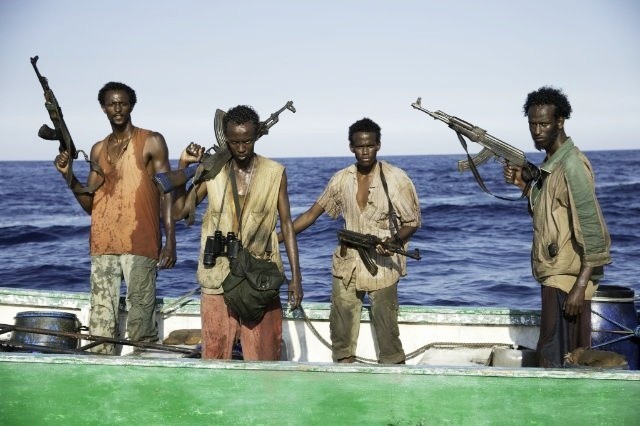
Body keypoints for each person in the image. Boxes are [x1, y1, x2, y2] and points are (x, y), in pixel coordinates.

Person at [282, 117, 421, 364]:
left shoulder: (396, 179)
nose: (365, 151)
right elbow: (312, 214)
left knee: (387, 331)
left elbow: (412, 222)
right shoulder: (341, 179)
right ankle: (344, 370)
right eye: (359, 146)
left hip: (383, 266)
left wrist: (393, 241)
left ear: (378, 146)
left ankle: (393, 375)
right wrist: (278, 237)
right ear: (351, 147)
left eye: (370, 146)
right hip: (347, 264)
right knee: (341, 333)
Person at [54, 81, 176, 354]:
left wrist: (170, 241)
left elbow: (167, 190)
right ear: (103, 108)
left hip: (140, 241)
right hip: (103, 243)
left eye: (123, 103)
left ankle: (144, 368)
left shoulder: (151, 141)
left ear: (131, 106)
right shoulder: (98, 149)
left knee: (141, 318)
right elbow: (90, 204)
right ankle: (101, 370)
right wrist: (68, 176)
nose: (117, 108)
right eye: (112, 104)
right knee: (100, 323)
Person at [173, 105, 303, 361]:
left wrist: (296, 278)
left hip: (260, 277)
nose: (241, 148)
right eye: (234, 142)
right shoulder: (213, 171)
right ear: (226, 139)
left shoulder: (275, 173)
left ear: (256, 137)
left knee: (264, 358)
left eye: (247, 141)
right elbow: (179, 211)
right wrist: (183, 165)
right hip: (217, 275)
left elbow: (287, 224)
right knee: (214, 355)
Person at [504, 86, 611, 368]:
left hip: (568, 281)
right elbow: (549, 216)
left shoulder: (572, 165)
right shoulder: (551, 165)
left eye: (544, 124)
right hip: (555, 275)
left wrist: (580, 286)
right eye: (532, 124)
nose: (537, 131)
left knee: (555, 357)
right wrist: (524, 186)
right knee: (560, 356)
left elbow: (592, 228)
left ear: (560, 122)